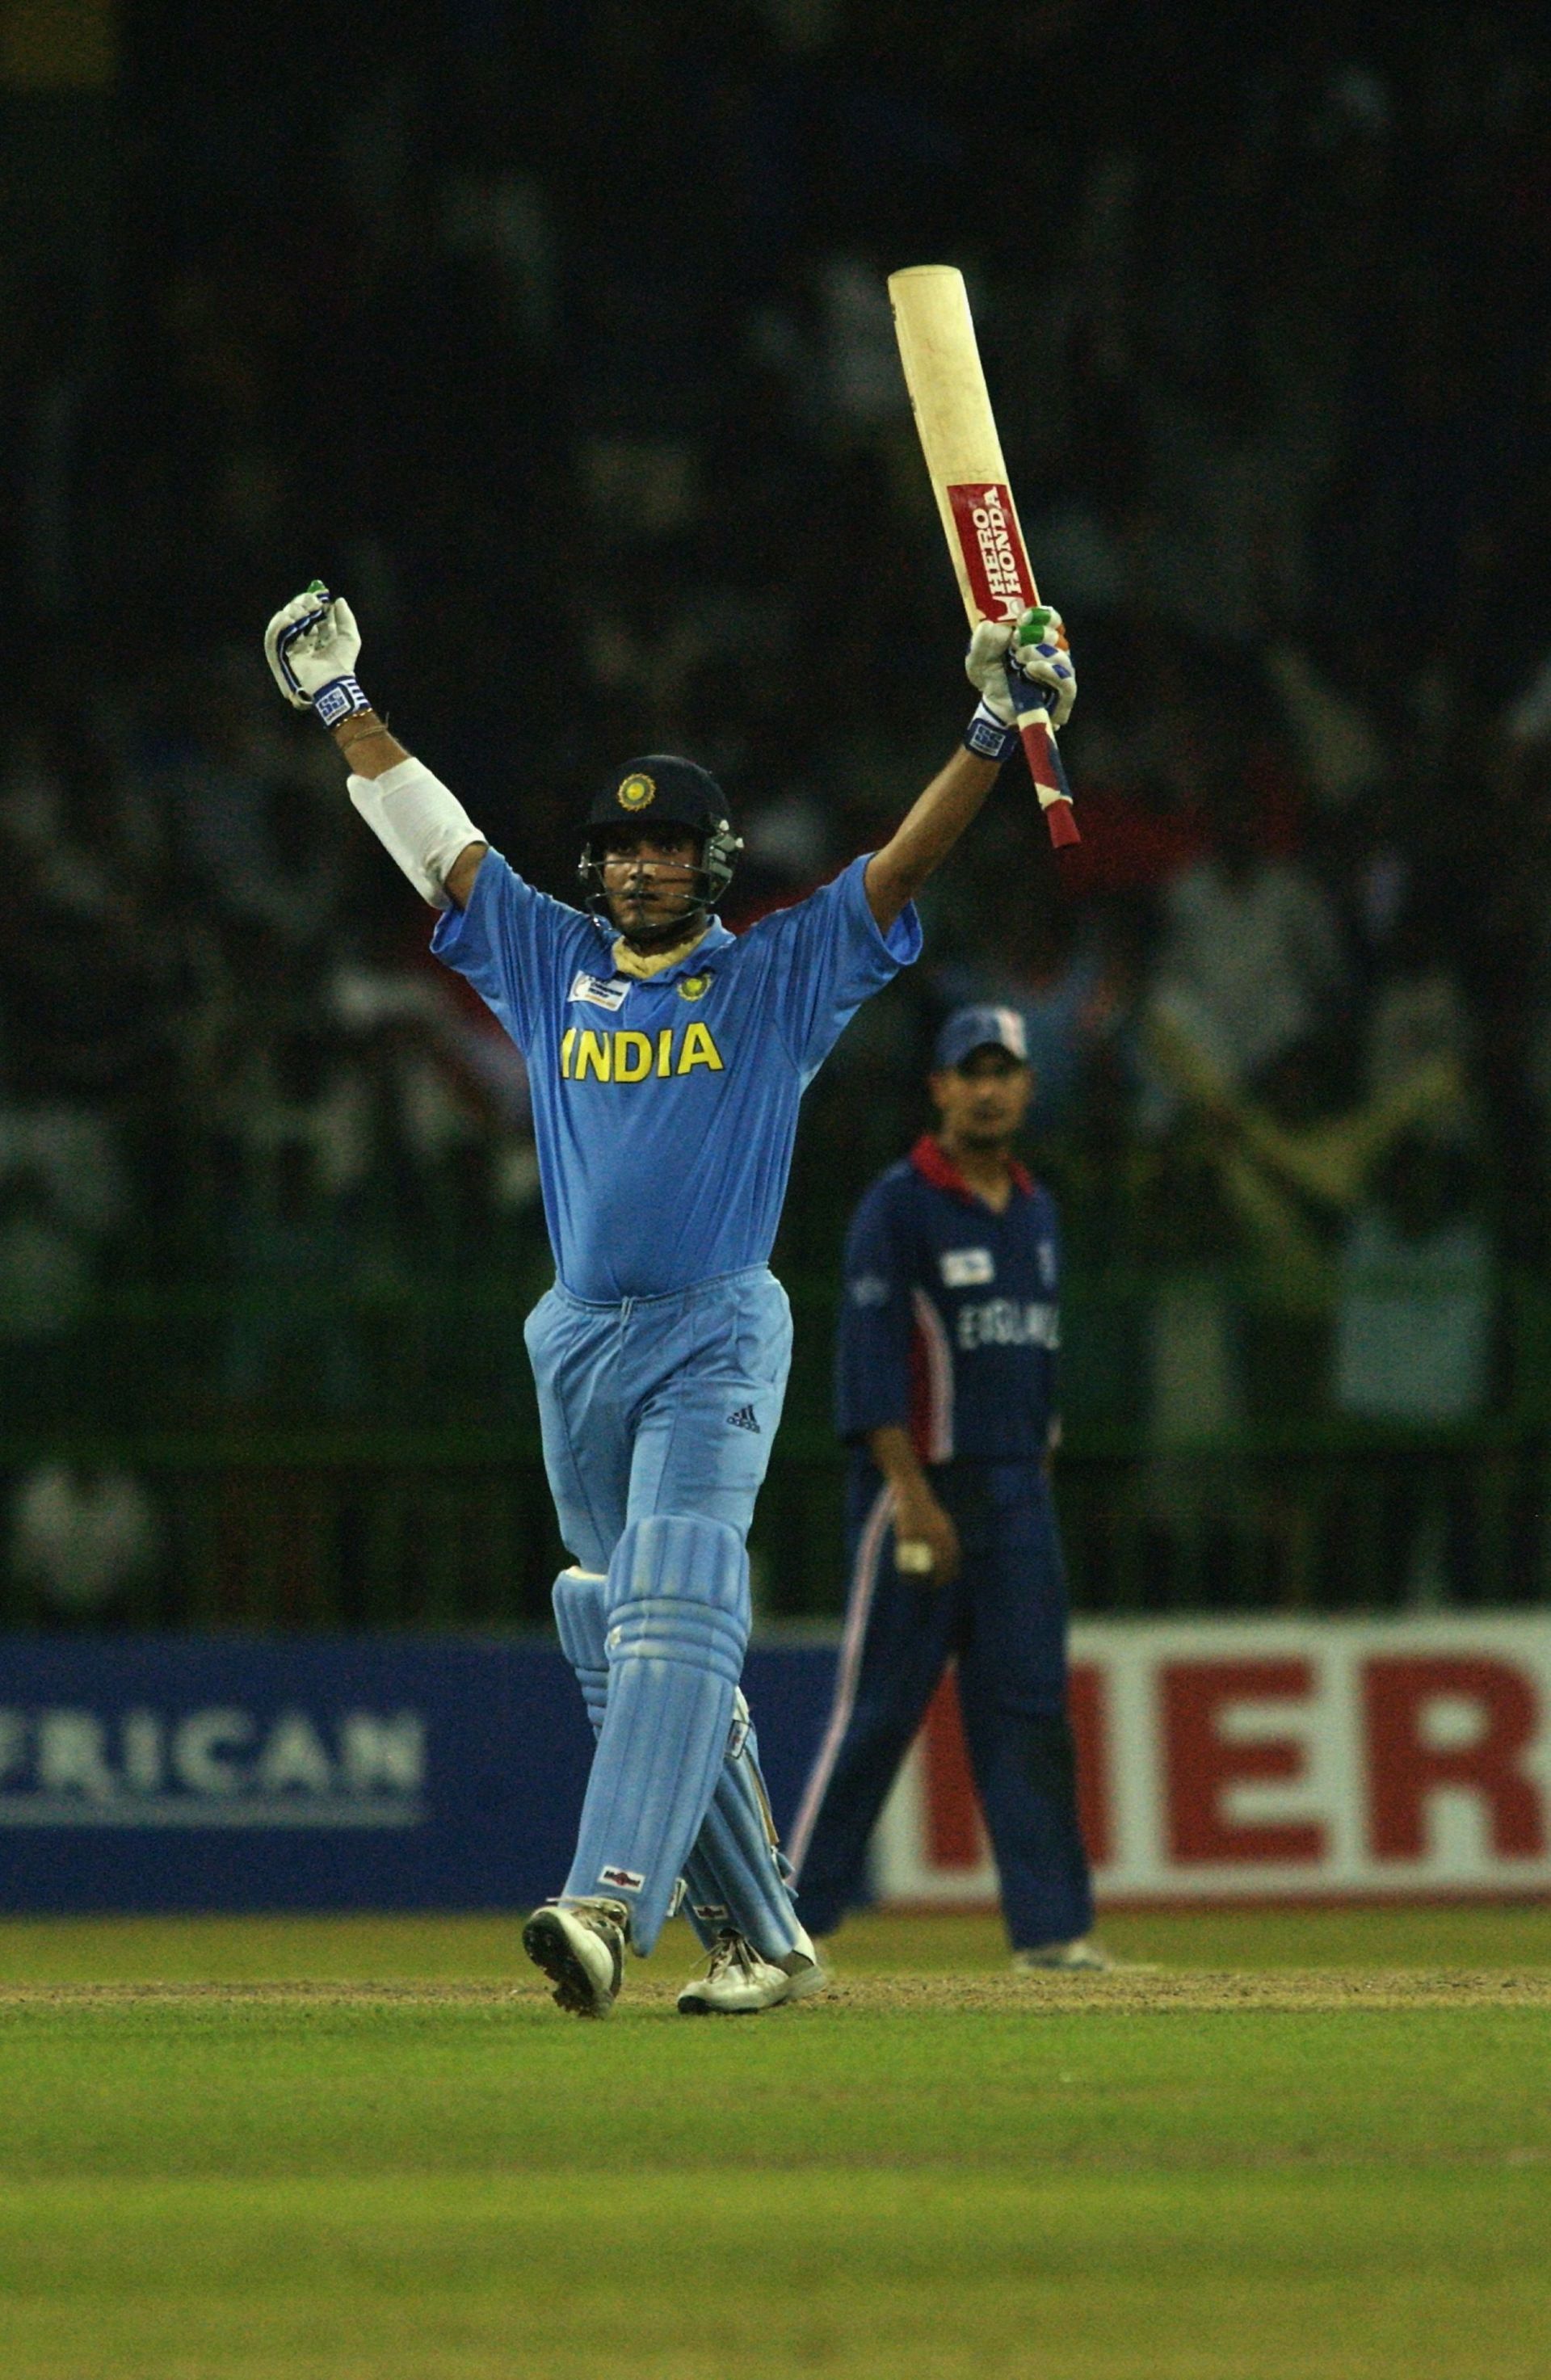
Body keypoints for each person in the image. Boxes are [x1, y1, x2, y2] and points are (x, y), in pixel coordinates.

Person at [263, 582, 1077, 2016]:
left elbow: (896, 870)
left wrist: (990, 728)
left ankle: (603, 1903)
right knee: (615, 1618)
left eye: (667, 846)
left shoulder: (770, 981)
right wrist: (339, 699)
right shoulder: (550, 960)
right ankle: (766, 1937)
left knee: (684, 1580)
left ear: (712, 863)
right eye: (622, 848)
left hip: (715, 1326)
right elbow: (440, 847)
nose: (641, 869)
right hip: (576, 1343)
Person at [788, 1005, 1107, 1970]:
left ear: (1027, 1087)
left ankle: (1052, 1937)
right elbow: (870, 1362)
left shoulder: (1037, 1209)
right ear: (939, 1089)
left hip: (1017, 1497)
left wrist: (1034, 1473)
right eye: (971, 1071)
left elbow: (1036, 1357)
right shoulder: (900, 1204)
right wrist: (910, 1494)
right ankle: (790, 1926)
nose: (990, 1088)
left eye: (1005, 1070)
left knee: (1030, 1712)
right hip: (918, 1492)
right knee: (879, 1712)